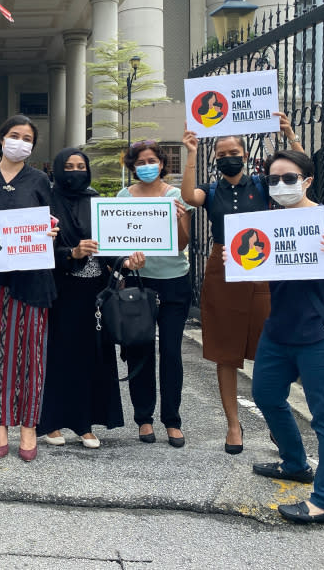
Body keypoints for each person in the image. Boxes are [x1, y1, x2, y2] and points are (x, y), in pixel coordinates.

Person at [247, 150, 324, 524]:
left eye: (289, 178)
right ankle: (295, 463)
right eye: (273, 180)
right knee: (266, 395)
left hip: (320, 333)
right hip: (279, 330)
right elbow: (255, 262)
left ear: (307, 181)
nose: (280, 186)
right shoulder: (267, 223)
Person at [181, 114, 302, 454]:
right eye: (220, 154)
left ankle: (278, 424)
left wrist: (291, 135)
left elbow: (299, 179)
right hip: (223, 270)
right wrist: (191, 152)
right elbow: (189, 196)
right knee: (225, 351)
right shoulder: (213, 189)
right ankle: (233, 425)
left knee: (270, 348)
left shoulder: (263, 185)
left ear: (245, 155)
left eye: (232, 151)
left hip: (261, 268)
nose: (227, 157)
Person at [0, 115, 59, 461]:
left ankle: (29, 424)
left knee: (31, 352)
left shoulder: (39, 180)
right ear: (2, 138)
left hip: (31, 279)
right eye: (14, 135)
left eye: (27, 137)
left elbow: (51, 219)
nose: (20, 141)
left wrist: (50, 231)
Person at [37, 147, 139, 450]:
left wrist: (125, 261)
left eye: (80, 166)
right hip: (60, 291)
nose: (75, 171)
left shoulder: (96, 202)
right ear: (56, 169)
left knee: (93, 358)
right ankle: (52, 422)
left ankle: (85, 423)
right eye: (68, 166)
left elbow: (111, 244)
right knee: (58, 357)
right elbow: (37, 248)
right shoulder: (46, 202)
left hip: (96, 293)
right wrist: (71, 253)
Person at [117, 141, 194, 448]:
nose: (147, 165)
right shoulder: (124, 197)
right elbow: (118, 240)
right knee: (140, 351)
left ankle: (172, 420)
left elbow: (182, 245)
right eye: (140, 161)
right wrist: (126, 260)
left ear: (162, 164)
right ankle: (144, 418)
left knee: (172, 354)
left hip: (174, 281)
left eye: (152, 160)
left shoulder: (175, 196)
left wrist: (179, 220)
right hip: (138, 282)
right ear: (132, 166)